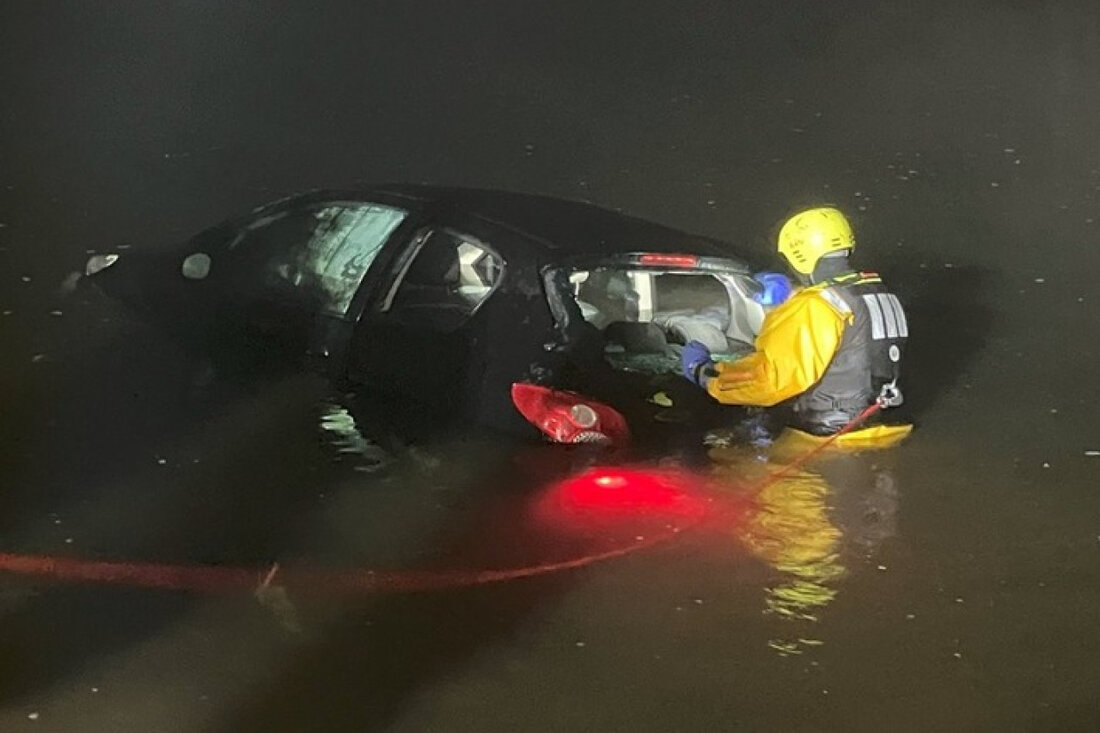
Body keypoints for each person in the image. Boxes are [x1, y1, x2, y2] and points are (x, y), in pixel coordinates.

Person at [681, 206, 911, 444]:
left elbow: (771, 380)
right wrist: (793, 293)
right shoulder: (881, 293)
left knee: (720, 455)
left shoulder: (813, 307)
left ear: (800, 256)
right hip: (886, 429)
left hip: (828, 437)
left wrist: (706, 374)